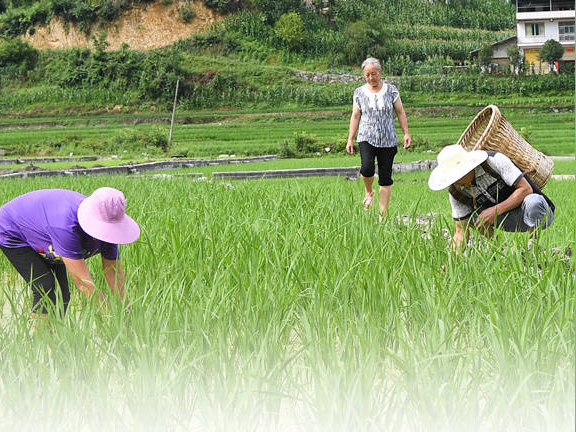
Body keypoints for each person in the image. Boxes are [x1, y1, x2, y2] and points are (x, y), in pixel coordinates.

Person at [0, 187, 140, 316]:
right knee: (45, 288)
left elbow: (113, 273)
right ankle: (38, 342)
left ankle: (54, 339)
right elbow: (83, 283)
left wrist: (128, 313)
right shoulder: (66, 227)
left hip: (46, 228)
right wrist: (113, 319)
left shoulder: (110, 228)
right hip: (12, 229)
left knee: (62, 295)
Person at [428, 144, 554, 251]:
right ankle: (501, 250)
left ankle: (534, 246)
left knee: (533, 201)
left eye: (457, 176)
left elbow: (526, 189)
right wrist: (452, 263)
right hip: (506, 221)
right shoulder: (456, 191)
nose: (455, 182)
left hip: (537, 214)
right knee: (470, 217)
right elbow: (461, 230)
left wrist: (494, 211)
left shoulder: (493, 161)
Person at [346, 57, 412, 219]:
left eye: (373, 74)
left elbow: (400, 112)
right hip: (366, 137)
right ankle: (369, 192)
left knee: (385, 177)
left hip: (388, 139)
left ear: (380, 72)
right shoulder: (359, 93)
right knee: (367, 168)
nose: (370, 78)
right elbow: (355, 115)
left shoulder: (391, 90)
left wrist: (406, 133)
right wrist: (350, 138)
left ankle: (383, 213)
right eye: (367, 75)